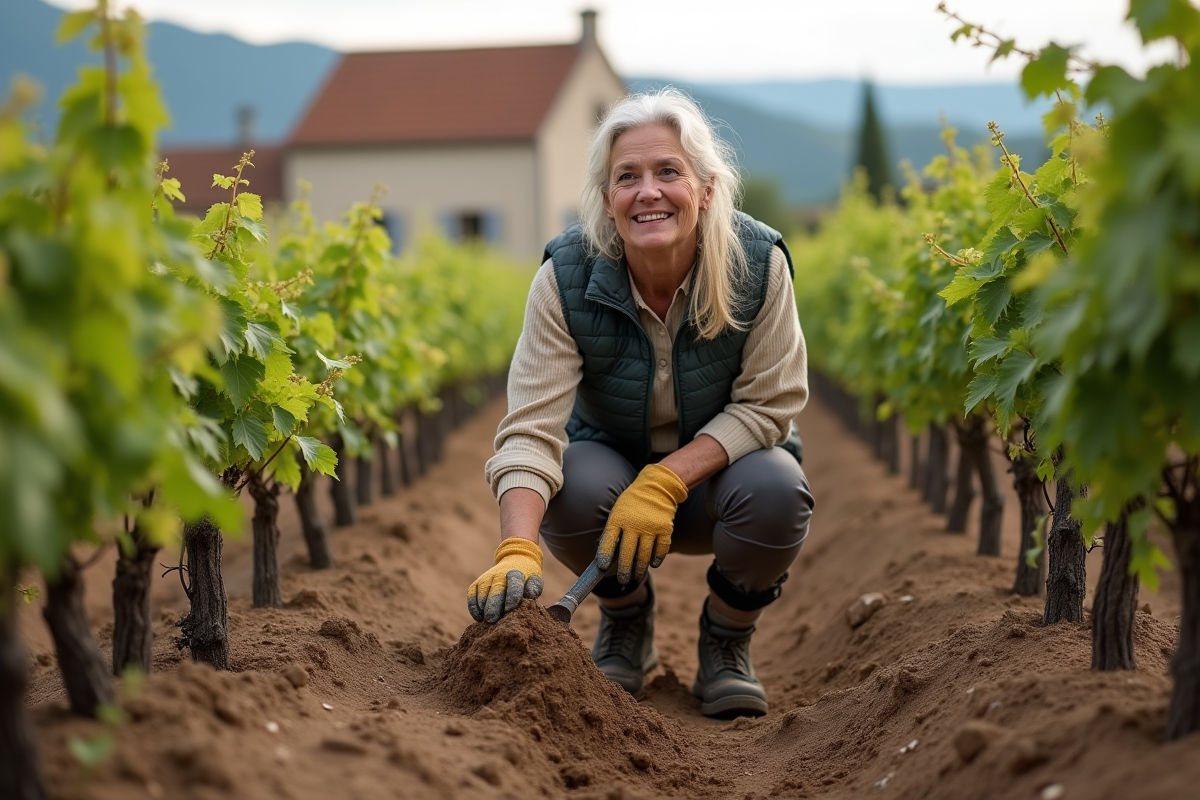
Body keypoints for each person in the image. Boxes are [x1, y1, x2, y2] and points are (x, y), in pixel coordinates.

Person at [468, 88, 814, 719]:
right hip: (611, 472)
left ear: (706, 189)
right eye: (627, 177)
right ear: (608, 200)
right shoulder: (565, 278)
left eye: (668, 172)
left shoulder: (758, 263)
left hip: (722, 483)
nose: (647, 191)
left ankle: (727, 639)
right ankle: (626, 618)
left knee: (777, 491)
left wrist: (666, 480)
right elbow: (530, 429)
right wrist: (516, 547)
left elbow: (772, 403)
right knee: (569, 487)